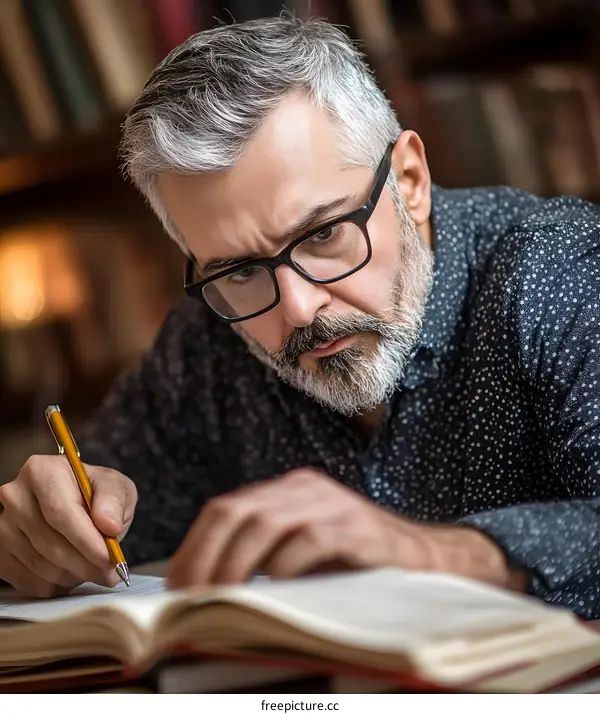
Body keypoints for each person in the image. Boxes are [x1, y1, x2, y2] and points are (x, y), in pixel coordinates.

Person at [1, 15, 600, 618]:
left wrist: (433, 554)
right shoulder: (209, 340)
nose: (297, 306)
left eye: (324, 234)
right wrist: (45, 534)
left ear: (410, 182)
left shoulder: (559, 269)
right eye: (238, 269)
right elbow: (101, 530)